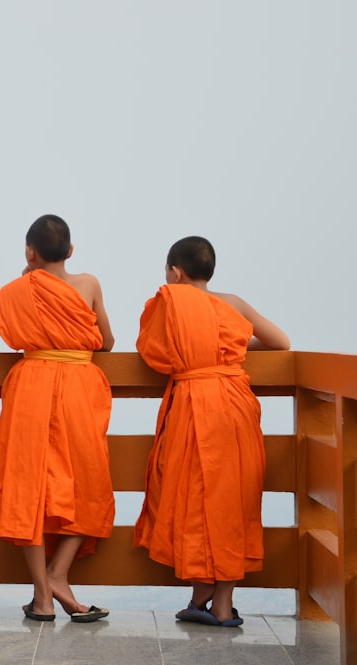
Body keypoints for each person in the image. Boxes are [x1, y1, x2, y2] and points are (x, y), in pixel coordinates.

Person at [133, 235, 291, 627]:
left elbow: (152, 354)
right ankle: (219, 602)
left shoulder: (173, 303)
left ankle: (202, 595)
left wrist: (200, 355)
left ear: (175, 271)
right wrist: (230, 350)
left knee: (195, 499)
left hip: (193, 402)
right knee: (232, 499)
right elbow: (281, 342)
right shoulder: (233, 303)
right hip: (235, 403)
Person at [0, 214, 115, 623]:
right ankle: (57, 575)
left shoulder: (14, 291)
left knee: (28, 488)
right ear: (71, 251)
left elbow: (12, 336)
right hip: (79, 385)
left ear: (29, 252)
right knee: (89, 481)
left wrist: (28, 279)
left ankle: (46, 591)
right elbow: (107, 342)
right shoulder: (89, 284)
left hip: (31, 386)